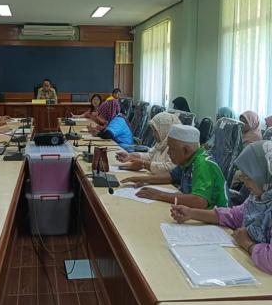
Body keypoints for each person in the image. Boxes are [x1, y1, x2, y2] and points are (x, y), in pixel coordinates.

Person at [171, 140, 272, 274]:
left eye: (248, 176)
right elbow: (234, 215)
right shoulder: (259, 196)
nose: (243, 181)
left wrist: (248, 244)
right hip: (251, 264)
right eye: (242, 175)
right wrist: (192, 213)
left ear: (265, 175)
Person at [121, 124, 228, 209]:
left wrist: (160, 195)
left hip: (216, 220)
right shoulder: (189, 159)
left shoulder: (203, 164)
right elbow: (172, 176)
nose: (168, 153)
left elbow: (200, 201)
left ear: (186, 150)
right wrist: (144, 179)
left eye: (171, 149)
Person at [115, 112, 181, 173]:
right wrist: (130, 156)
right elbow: (150, 156)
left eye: (155, 131)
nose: (153, 134)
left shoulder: (174, 147)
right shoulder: (161, 143)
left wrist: (144, 164)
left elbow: (169, 169)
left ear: (165, 129)